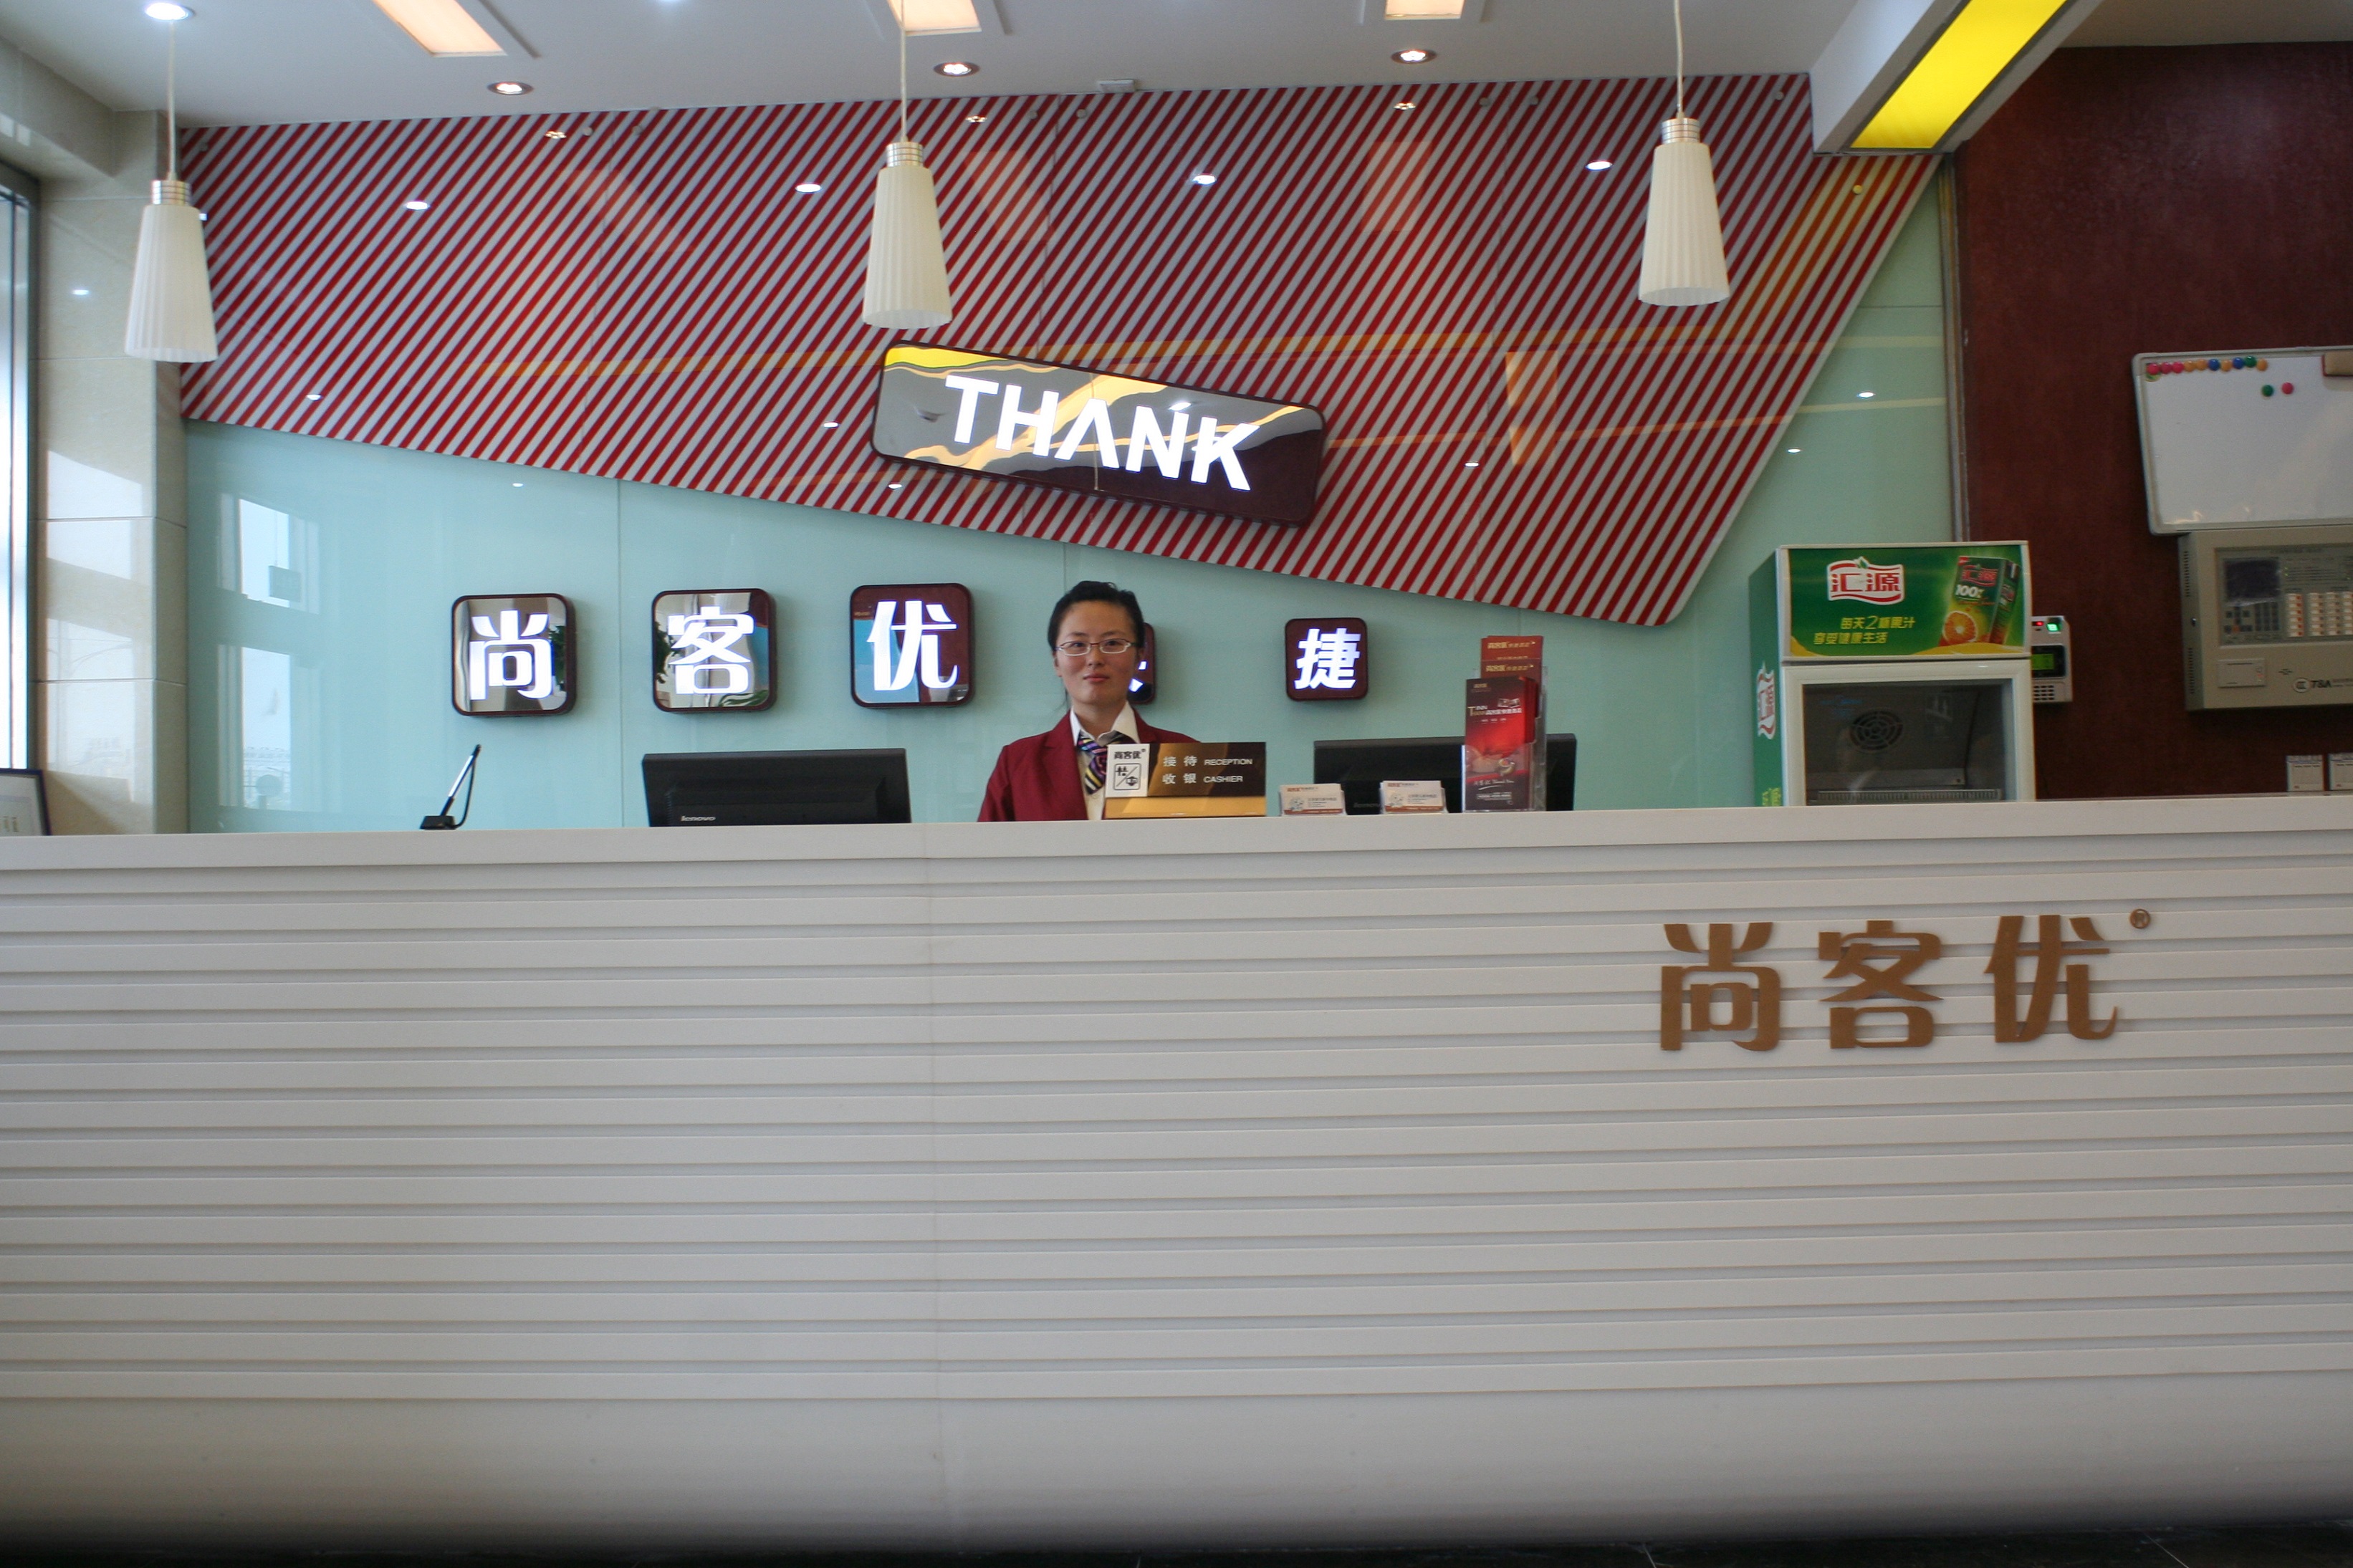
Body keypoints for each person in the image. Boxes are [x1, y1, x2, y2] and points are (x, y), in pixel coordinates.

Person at [979, 580, 1196, 821]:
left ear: (1139, 657)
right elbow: (985, 845)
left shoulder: (1184, 756)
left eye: (1112, 643)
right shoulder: (1018, 763)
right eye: (1077, 645)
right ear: (1056, 661)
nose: (1094, 658)